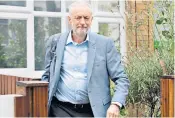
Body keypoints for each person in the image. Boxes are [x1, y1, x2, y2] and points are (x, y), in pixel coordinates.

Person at [42, 1, 130, 117]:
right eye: (78, 18)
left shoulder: (105, 44)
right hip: (60, 109)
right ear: (70, 20)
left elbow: (121, 79)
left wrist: (115, 104)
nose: (82, 22)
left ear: (91, 20)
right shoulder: (55, 42)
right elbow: (46, 77)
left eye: (86, 18)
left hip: (92, 111)